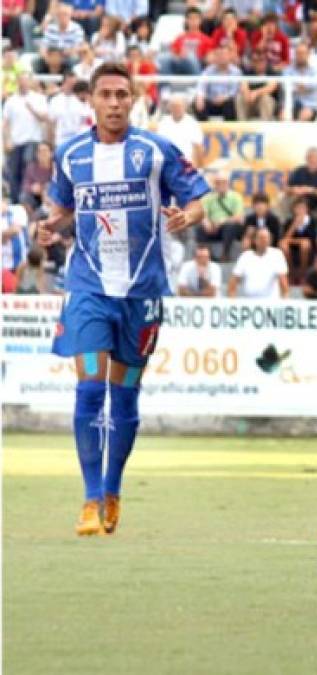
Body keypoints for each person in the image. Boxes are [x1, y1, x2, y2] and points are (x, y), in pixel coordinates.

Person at [39, 61, 210, 536]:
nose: (114, 102)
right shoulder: (71, 154)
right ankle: (91, 499)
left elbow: (199, 198)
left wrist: (188, 217)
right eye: (106, 94)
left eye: (122, 94)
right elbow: (64, 208)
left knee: (125, 396)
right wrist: (50, 227)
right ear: (90, 101)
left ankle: (113, 489)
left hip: (143, 294)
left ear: (133, 100)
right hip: (88, 287)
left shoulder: (155, 151)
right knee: (90, 390)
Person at [3, 73, 48, 206]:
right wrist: (6, 140)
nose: (23, 83)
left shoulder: (39, 98)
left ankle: (27, 197)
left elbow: (44, 118)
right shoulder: (11, 100)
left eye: (25, 81)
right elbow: (6, 123)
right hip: (16, 141)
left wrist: (31, 109)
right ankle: (16, 201)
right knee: (13, 171)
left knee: (27, 165)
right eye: (20, 81)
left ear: (30, 82)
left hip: (33, 139)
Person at [199, 170, 247, 262]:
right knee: (200, 229)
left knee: (229, 227)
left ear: (228, 183)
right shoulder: (208, 198)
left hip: (230, 227)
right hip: (214, 228)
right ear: (214, 184)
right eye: (218, 182)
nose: (221, 185)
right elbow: (203, 214)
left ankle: (225, 254)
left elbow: (239, 217)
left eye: (223, 182)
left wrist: (222, 222)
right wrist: (207, 223)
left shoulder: (236, 197)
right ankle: (208, 255)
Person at [228, 227, 289, 298]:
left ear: (270, 240)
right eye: (261, 238)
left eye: (266, 238)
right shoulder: (245, 256)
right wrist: (232, 301)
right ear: (255, 240)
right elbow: (233, 281)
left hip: (271, 304)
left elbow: (283, 282)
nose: (264, 240)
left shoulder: (277, 254)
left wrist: (285, 302)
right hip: (249, 304)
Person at [283, 146, 317, 222]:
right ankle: (285, 224)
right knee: (282, 197)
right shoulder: (300, 170)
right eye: (310, 157)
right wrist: (294, 190)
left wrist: (312, 190)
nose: (313, 160)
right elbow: (286, 189)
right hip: (300, 206)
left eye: (316, 158)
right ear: (306, 159)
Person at [193, 44, 244, 121]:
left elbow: (235, 90)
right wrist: (200, 97)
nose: (221, 57)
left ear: (229, 56)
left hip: (227, 101)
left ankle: (229, 131)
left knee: (231, 103)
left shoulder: (236, 72)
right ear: (215, 57)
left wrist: (224, 97)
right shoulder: (208, 71)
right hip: (211, 100)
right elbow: (201, 86)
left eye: (224, 54)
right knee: (197, 102)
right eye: (219, 55)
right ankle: (206, 131)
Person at [156, 94, 205, 168]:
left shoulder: (192, 123)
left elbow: (198, 147)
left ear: (185, 107)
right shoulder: (163, 122)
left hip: (187, 165)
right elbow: (159, 146)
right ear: (169, 107)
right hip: (168, 164)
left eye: (179, 106)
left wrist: (198, 168)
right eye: (174, 106)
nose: (176, 109)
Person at [162, 7, 212, 75]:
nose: (193, 21)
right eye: (191, 18)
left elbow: (209, 58)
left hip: (198, 65)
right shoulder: (180, 38)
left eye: (196, 18)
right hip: (180, 64)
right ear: (186, 20)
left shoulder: (206, 39)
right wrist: (179, 56)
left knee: (190, 56)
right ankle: (166, 84)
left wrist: (196, 56)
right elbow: (172, 53)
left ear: (200, 20)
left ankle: (197, 82)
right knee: (163, 57)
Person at [279, 196, 317, 283]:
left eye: (302, 208)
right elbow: (284, 240)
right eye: (298, 208)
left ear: (307, 209)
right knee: (283, 245)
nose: (300, 210)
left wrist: (298, 241)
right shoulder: (289, 221)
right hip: (292, 248)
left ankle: (303, 274)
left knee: (305, 244)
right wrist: (294, 226)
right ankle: (290, 272)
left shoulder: (312, 222)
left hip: (308, 250)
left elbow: (312, 241)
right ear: (293, 209)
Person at [49, 74, 94, 148]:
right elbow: (51, 123)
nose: (72, 86)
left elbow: (88, 120)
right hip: (61, 140)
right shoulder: (55, 100)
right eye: (70, 83)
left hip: (78, 140)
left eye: (74, 83)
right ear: (64, 83)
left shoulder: (82, 100)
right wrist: (51, 142)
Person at [237, 50, 281, 121]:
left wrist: (256, 93)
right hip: (250, 102)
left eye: (261, 60)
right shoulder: (248, 72)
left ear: (265, 62)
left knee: (265, 98)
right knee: (240, 98)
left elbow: (272, 87)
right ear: (252, 62)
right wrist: (247, 94)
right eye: (255, 61)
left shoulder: (271, 72)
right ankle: (242, 126)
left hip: (268, 104)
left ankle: (265, 127)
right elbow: (243, 86)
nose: (259, 63)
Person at [283, 42, 317, 121]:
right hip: (291, 105)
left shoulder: (315, 72)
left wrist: (297, 86)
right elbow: (285, 87)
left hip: (309, 106)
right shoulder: (287, 70)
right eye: (298, 53)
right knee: (283, 115)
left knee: (305, 114)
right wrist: (303, 86)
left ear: (308, 54)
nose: (300, 56)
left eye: (303, 53)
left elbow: (313, 86)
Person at [19, 140, 54, 213]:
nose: (42, 154)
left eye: (45, 151)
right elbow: (25, 185)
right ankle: (33, 219)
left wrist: (45, 188)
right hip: (36, 197)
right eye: (39, 151)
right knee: (23, 196)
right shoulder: (31, 167)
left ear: (51, 153)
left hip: (52, 196)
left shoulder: (56, 167)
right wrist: (32, 187)